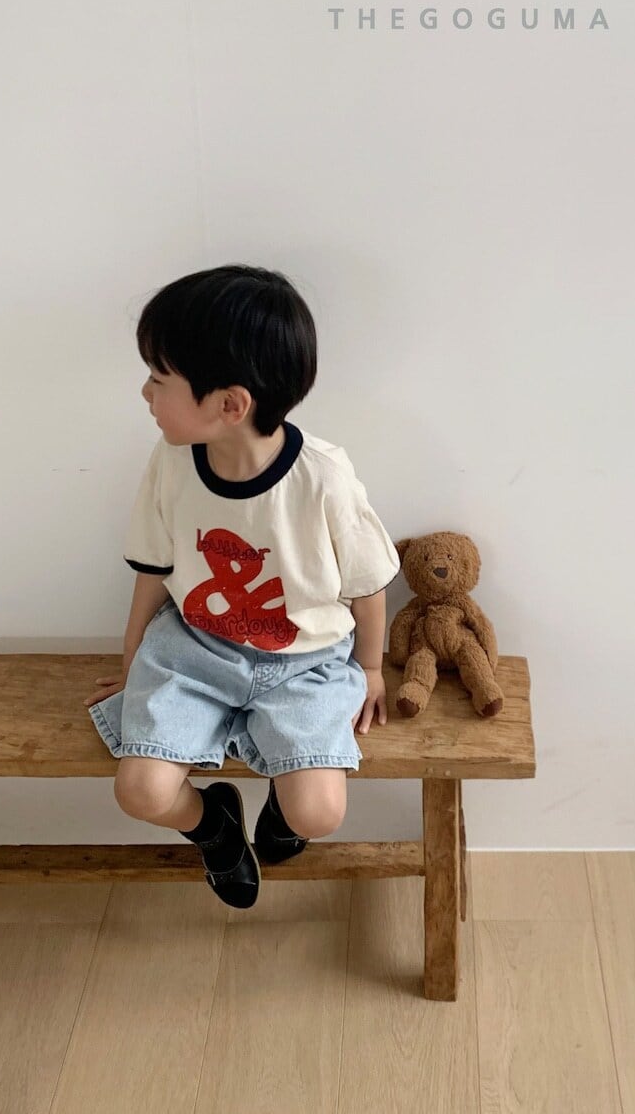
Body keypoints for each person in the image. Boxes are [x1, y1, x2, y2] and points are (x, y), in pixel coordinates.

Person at [83, 265, 400, 909]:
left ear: (230, 405)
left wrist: (370, 667)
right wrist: (135, 658)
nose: (145, 392)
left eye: (158, 378)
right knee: (139, 791)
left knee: (319, 813)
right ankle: (214, 825)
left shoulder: (323, 478)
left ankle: (285, 805)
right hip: (195, 650)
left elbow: (368, 583)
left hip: (305, 662)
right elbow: (153, 566)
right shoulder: (172, 462)